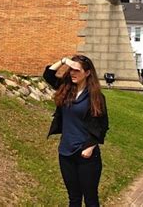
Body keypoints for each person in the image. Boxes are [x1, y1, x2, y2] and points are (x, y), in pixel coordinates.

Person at [43, 55, 109, 207]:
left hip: (86, 155)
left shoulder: (95, 96)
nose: (73, 73)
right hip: (65, 152)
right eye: (71, 70)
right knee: (74, 198)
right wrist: (64, 61)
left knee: (90, 199)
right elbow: (48, 75)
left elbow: (103, 125)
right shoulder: (66, 90)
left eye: (77, 70)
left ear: (87, 73)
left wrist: (91, 147)